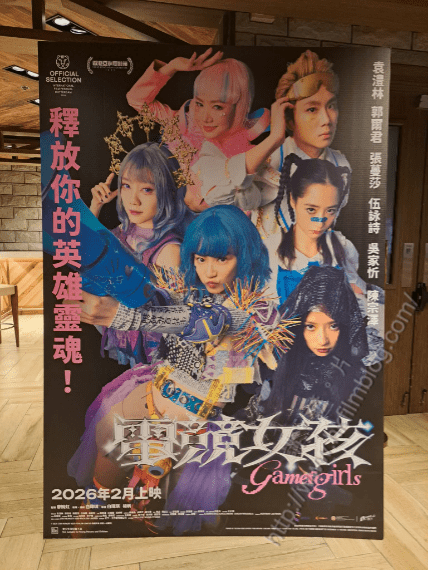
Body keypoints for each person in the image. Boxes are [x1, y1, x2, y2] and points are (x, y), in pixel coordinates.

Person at [68, 205, 293, 535]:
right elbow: (158, 299)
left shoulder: (256, 311)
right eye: (201, 259)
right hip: (146, 397)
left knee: (159, 517)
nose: (209, 271)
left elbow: (206, 322)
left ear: (243, 257)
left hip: (194, 429)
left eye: (222, 259)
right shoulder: (187, 292)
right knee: (100, 477)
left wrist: (129, 317)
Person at [126, 48, 271, 212]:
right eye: (200, 104)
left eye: (217, 107)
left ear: (238, 107)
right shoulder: (181, 125)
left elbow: (249, 209)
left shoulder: (247, 154)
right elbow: (136, 99)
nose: (206, 118)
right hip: (166, 216)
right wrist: (173, 66)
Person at [89, 142, 190, 367]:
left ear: (167, 192)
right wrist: (95, 206)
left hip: (160, 358)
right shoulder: (124, 232)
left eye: (146, 189)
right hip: (130, 348)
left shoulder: (169, 251)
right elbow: (84, 253)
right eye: (126, 186)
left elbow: (179, 322)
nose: (133, 200)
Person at [262, 265, 368, 426]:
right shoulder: (282, 367)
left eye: (333, 326)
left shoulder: (358, 376)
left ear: (345, 326)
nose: (323, 340)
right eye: (311, 326)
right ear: (299, 327)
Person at [271, 154, 364, 304]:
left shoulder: (343, 248)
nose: (320, 222)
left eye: (330, 211)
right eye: (311, 210)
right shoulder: (271, 250)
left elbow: (358, 294)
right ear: (293, 200)